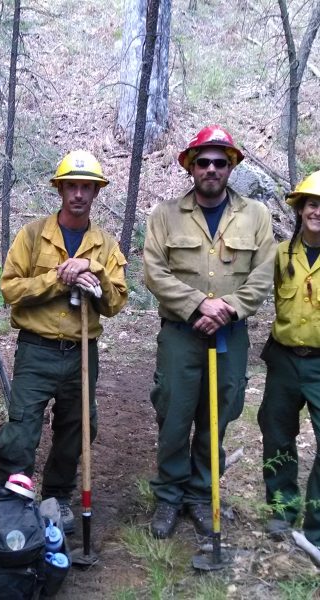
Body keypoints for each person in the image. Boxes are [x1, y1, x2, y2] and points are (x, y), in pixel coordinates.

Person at [143, 125, 275, 539]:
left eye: (221, 162)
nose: (212, 169)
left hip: (230, 335)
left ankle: (201, 495)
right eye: (204, 162)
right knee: (175, 414)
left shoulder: (255, 215)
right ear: (191, 167)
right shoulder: (165, 215)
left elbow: (263, 273)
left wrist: (227, 309)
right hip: (181, 334)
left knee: (218, 415)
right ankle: (168, 497)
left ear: (231, 166)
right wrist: (200, 304)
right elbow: (154, 271)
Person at [0, 149, 128, 533]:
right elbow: (10, 289)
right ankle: (14, 500)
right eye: (72, 185)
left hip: (81, 351)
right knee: (21, 431)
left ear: (96, 193)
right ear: (60, 189)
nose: (79, 194)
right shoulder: (33, 235)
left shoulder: (104, 244)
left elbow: (116, 301)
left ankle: (56, 498)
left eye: (87, 187)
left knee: (77, 428)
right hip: (36, 350)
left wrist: (94, 272)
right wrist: (59, 279)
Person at [258, 171, 320, 545]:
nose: (318, 212)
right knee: (277, 436)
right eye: (312, 205)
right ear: (300, 209)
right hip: (282, 359)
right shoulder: (281, 255)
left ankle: (316, 526)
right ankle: (281, 511)